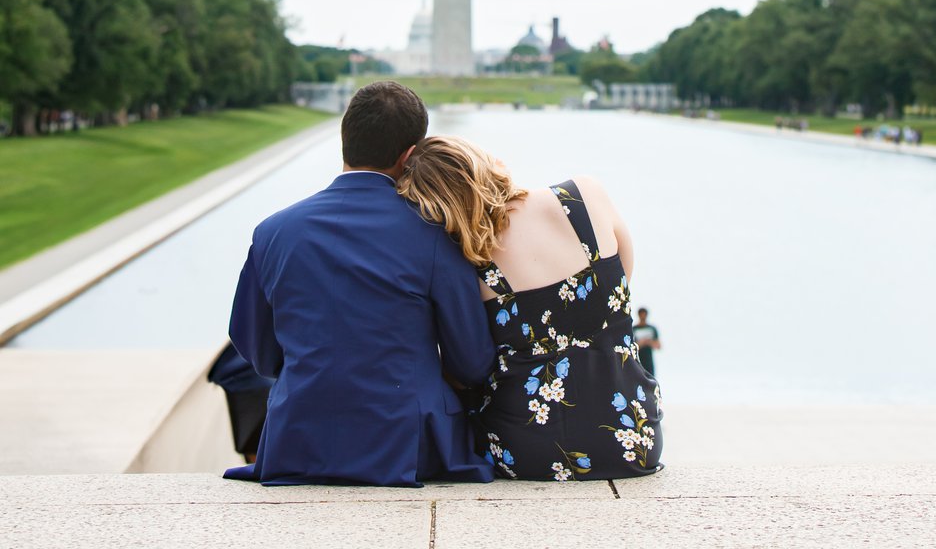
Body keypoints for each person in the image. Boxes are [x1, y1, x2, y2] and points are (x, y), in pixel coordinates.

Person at [225, 81, 495, 487]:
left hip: (297, 440)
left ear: (344, 141)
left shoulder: (273, 232)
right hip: (409, 446)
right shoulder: (435, 233)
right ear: (410, 156)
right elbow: (472, 361)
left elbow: (258, 353)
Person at [397, 135, 663, 482]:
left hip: (526, 452)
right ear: (485, 162)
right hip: (633, 440)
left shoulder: (471, 266)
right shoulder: (585, 195)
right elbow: (621, 289)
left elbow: (466, 369)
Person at [633, 308, 661, 378]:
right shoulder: (634, 329)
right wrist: (641, 343)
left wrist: (649, 342)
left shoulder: (652, 329)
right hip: (638, 360)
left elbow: (658, 346)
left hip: (649, 360)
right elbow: (631, 346)